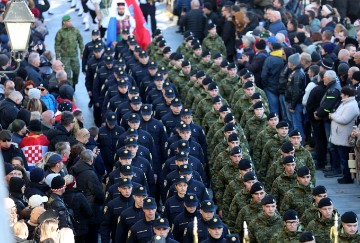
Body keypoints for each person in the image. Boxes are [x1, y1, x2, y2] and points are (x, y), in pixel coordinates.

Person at [71, 150, 105, 243]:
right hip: (91, 209)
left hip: (78, 208)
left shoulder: (74, 169)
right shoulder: (90, 174)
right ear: (91, 160)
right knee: (92, 236)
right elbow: (98, 194)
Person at [329, 86, 360, 184]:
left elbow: (344, 120)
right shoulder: (346, 103)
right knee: (343, 157)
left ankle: (348, 177)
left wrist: (332, 115)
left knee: (345, 158)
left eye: (342, 94)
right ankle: (346, 175)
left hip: (344, 136)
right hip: (340, 135)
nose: (341, 95)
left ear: (346, 95)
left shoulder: (351, 105)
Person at [55, 14, 84, 89]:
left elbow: (80, 41)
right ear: (64, 22)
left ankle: (74, 83)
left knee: (76, 71)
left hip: (74, 55)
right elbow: (57, 44)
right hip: (65, 57)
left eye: (70, 21)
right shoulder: (60, 32)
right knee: (67, 74)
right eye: (68, 21)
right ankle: (70, 88)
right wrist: (58, 56)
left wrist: (82, 52)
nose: (70, 22)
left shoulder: (75, 30)